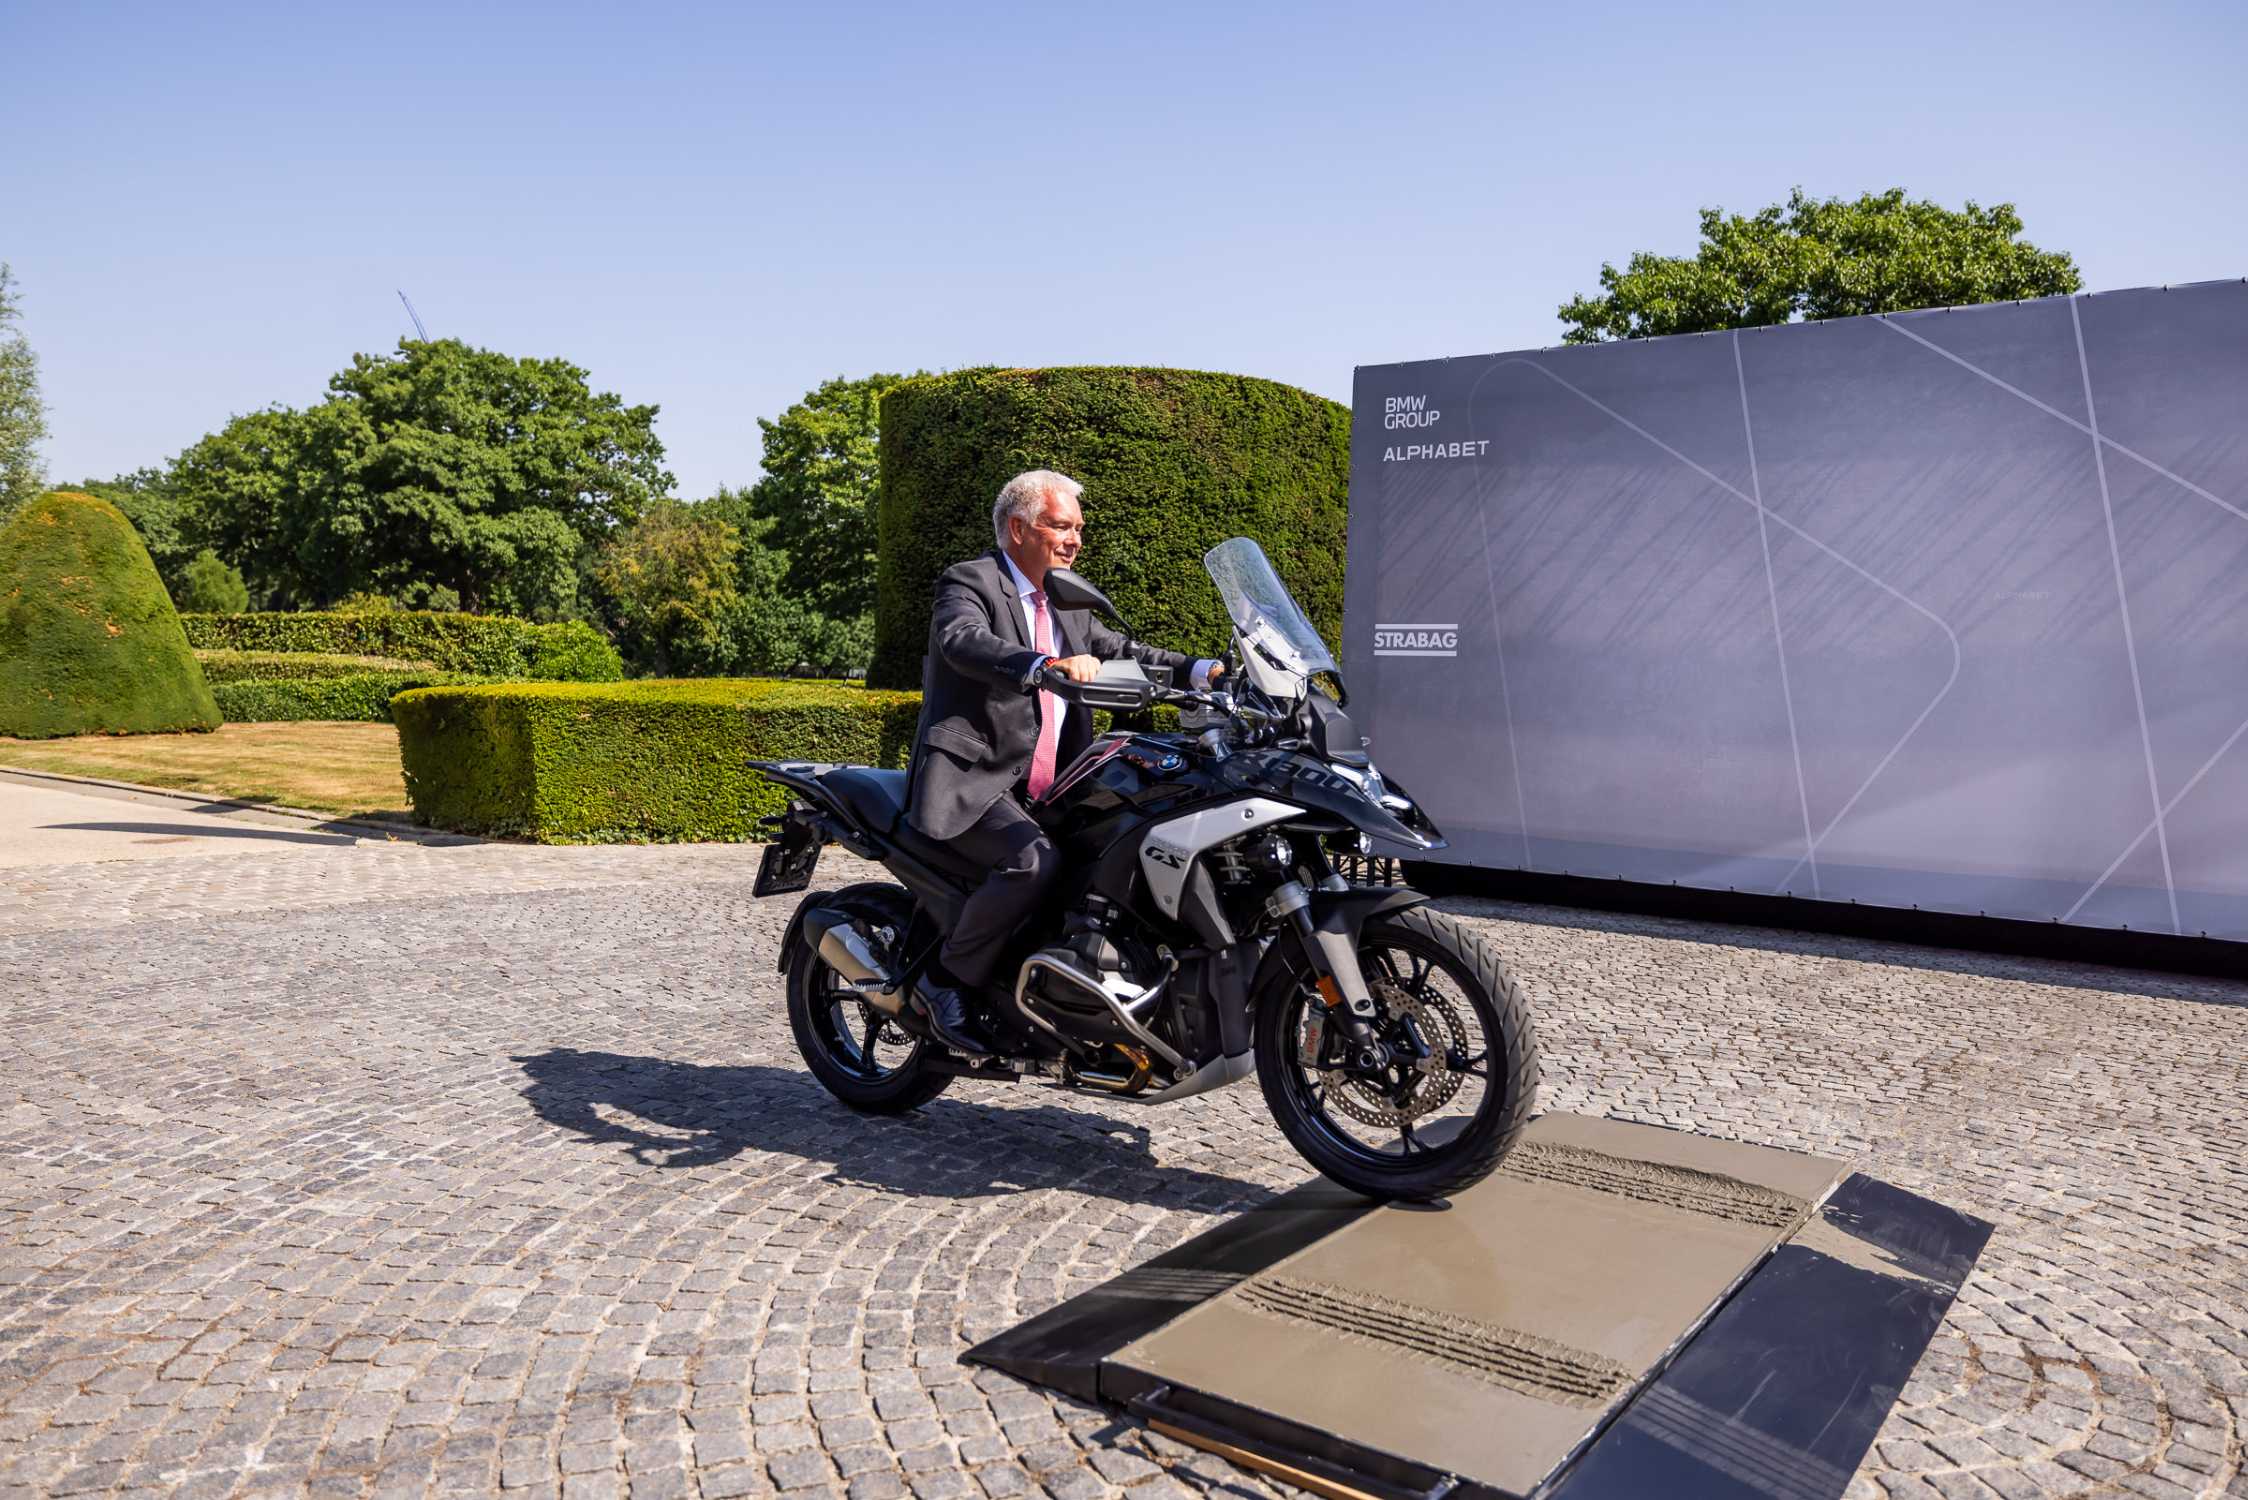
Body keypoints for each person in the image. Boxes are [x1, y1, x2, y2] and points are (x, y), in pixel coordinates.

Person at [902, 470, 1222, 1056]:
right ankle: (942, 983)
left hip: (1056, 784)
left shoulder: (1067, 599)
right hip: (979, 781)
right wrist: (1040, 665)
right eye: (1061, 526)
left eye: (1078, 528)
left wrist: (1204, 671)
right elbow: (962, 640)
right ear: (1018, 528)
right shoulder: (970, 581)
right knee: (1033, 861)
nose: (1074, 540)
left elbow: (1123, 652)